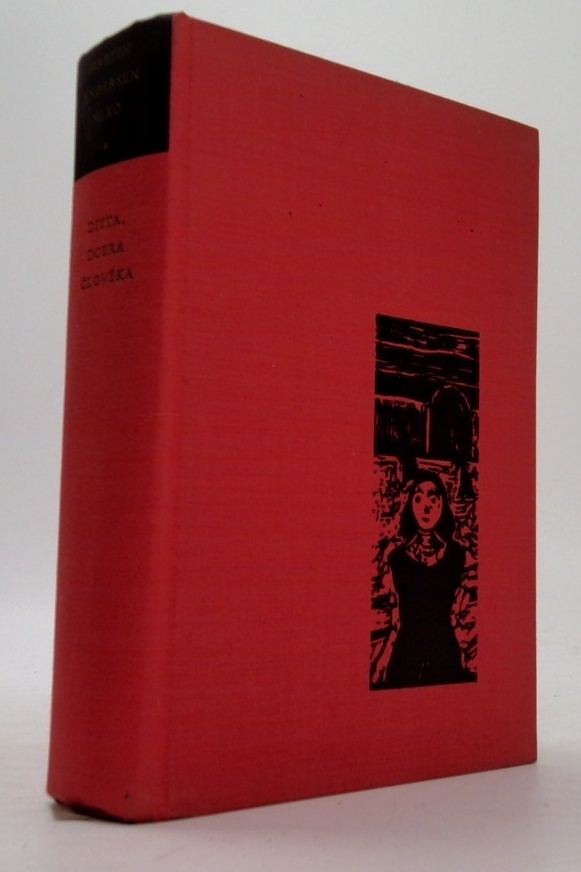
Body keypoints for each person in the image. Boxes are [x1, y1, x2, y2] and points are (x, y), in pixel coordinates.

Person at [381, 470, 474, 688]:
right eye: (419, 498)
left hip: (444, 652)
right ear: (410, 504)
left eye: (433, 499)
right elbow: (394, 618)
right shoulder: (396, 558)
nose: (426, 507)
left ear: (442, 504)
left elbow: (462, 610)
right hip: (407, 653)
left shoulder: (457, 555)